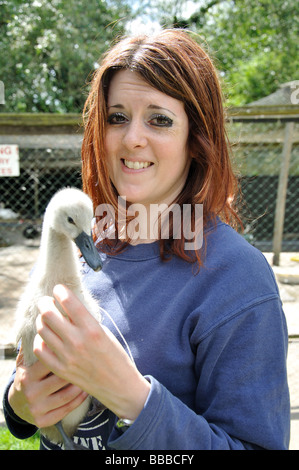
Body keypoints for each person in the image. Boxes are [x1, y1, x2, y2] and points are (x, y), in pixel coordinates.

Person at [3, 29, 290, 450]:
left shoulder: (237, 281)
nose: (131, 137)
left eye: (159, 119)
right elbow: (30, 368)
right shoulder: (83, 241)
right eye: (117, 117)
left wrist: (132, 397)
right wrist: (19, 404)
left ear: (197, 139)